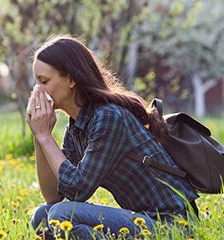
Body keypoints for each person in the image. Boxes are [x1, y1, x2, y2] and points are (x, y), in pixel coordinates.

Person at [26, 36, 199, 239]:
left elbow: (77, 191)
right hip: (142, 220)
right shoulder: (76, 126)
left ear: (71, 79)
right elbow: (53, 195)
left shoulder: (107, 116)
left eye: (44, 82)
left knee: (61, 215)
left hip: (173, 225)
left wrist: (45, 136)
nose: (37, 91)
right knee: (42, 216)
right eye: (36, 83)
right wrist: (39, 136)